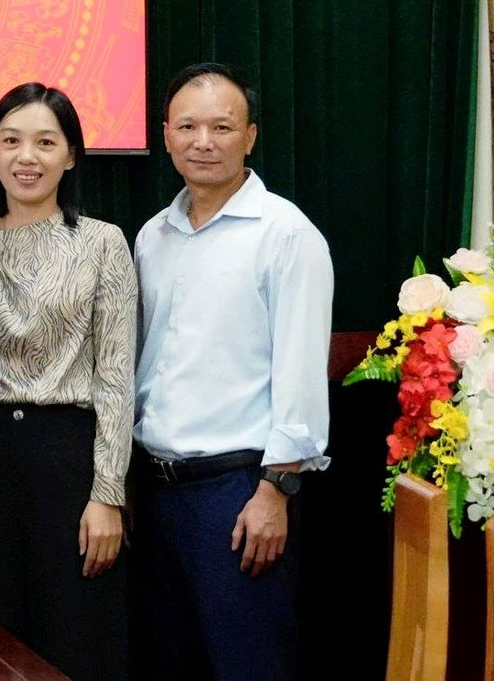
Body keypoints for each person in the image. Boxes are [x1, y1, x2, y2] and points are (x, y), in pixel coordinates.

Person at [133, 63, 331, 681]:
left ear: (250, 136)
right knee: (172, 664)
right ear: (166, 135)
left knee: (248, 664)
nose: (204, 142)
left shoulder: (287, 235)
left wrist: (276, 490)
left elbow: (301, 374)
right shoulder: (152, 236)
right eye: (188, 126)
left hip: (239, 493)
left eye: (222, 127)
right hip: (156, 489)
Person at [0, 84, 134, 680]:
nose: (27, 157)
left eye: (45, 143)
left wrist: (108, 495)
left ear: (71, 155)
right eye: (11, 141)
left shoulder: (103, 242)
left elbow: (115, 377)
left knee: (74, 637)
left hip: (70, 462)